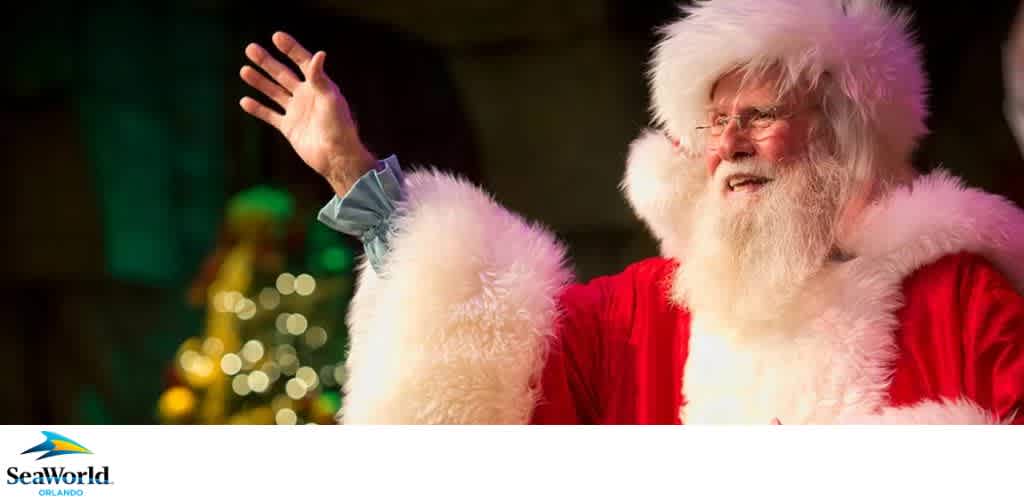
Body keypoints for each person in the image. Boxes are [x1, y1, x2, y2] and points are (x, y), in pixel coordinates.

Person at [239, 0, 1024, 424]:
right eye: (716, 124)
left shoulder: (954, 297)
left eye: (761, 114)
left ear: (838, 139)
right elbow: (479, 355)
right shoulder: (637, 311)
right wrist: (353, 171)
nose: (730, 144)